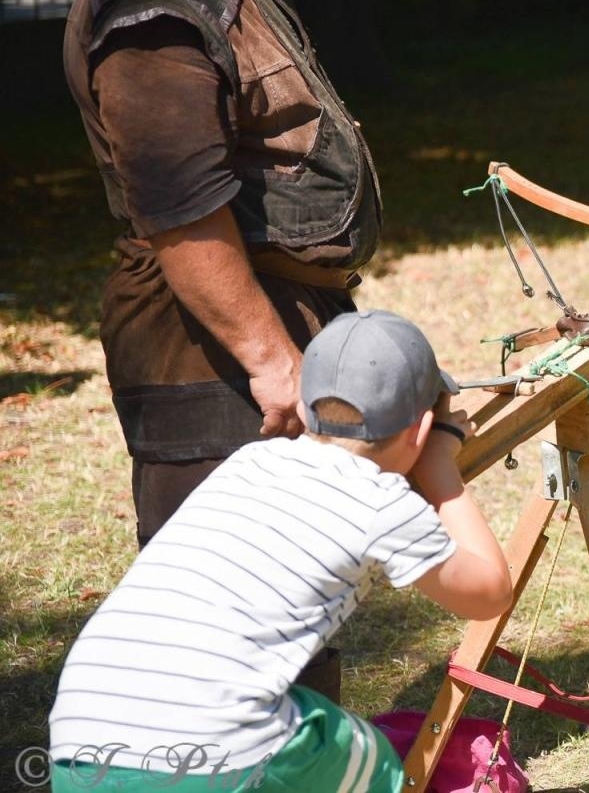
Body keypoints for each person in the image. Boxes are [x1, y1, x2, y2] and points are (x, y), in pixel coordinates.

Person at [62, 0, 382, 571]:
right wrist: (273, 362)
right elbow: (178, 207)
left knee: (298, 594)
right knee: (226, 602)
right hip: (201, 354)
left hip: (260, 329)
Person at [48, 310, 513, 792]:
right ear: (420, 428)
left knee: (305, 719)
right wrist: (439, 464)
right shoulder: (380, 503)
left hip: (80, 741)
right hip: (212, 747)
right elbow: (490, 593)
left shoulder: (250, 460)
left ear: (308, 410)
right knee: (367, 757)